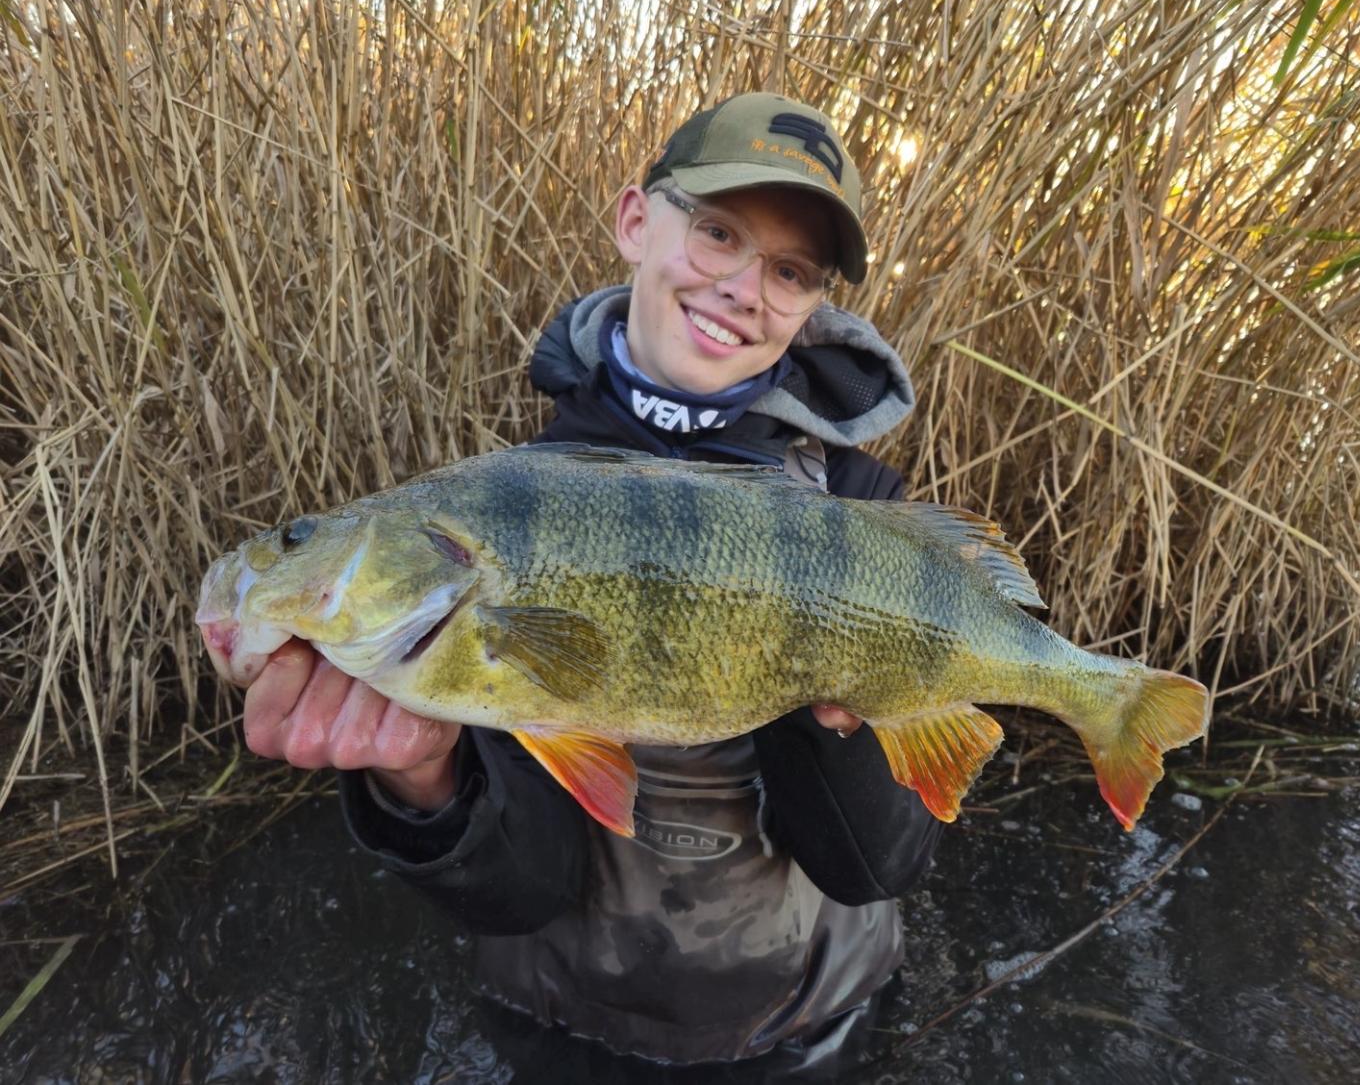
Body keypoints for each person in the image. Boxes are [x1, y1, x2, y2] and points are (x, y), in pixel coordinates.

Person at [203, 92, 942, 1077]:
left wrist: (836, 715)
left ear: (812, 304)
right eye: (718, 232)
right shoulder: (513, 500)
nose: (742, 287)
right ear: (637, 221)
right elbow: (523, 890)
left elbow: (878, 867)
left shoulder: (864, 512)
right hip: (566, 1022)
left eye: (790, 270)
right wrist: (423, 779)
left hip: (808, 1027)